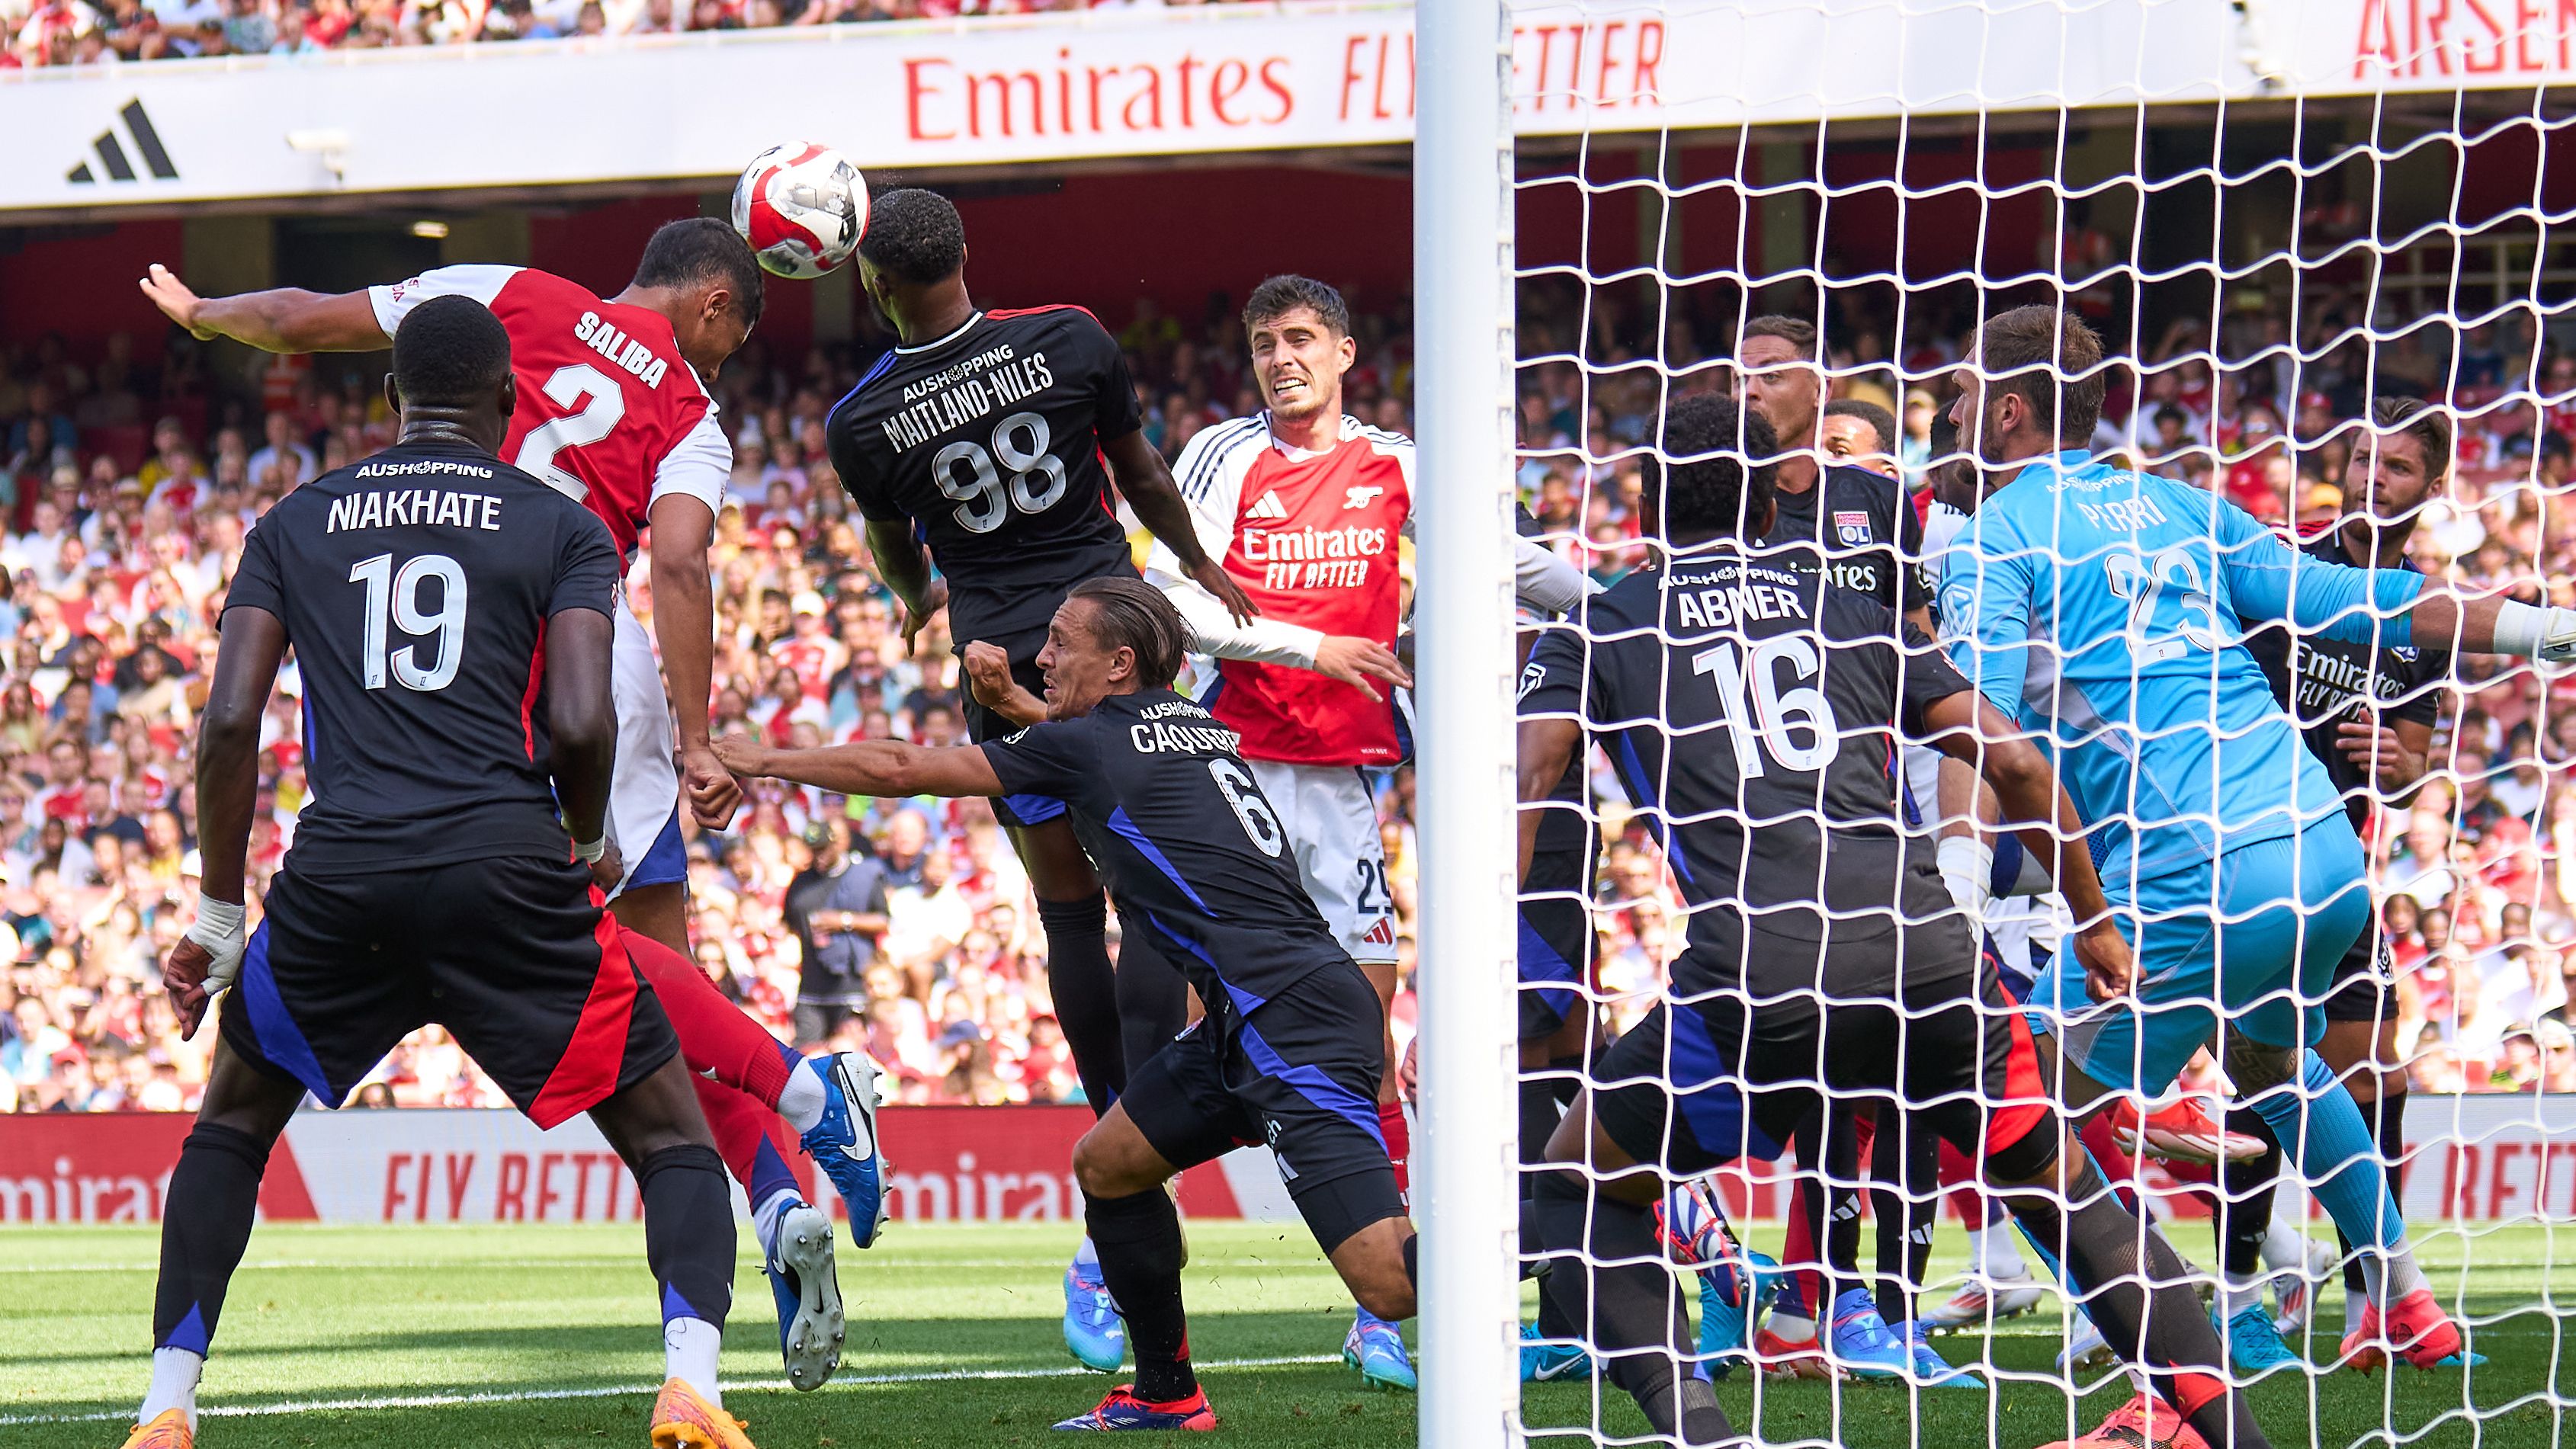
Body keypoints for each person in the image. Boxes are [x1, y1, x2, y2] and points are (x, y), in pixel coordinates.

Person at [136, 222, 876, 1393]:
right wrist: (693, 740)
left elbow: (310, 316)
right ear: (717, 306)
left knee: (256, 1108)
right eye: (737, 336)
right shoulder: (688, 411)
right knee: (629, 978)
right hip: (582, 646)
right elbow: (678, 566)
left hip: (436, 700)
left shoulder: (504, 292)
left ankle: (793, 1111)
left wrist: (210, 314)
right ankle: (784, 1156)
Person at [1516, 391, 2260, 1449]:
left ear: (1642, 500)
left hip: (1757, 969)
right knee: (2064, 1189)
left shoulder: (1599, 623)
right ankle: (2236, 1433)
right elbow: (2008, 757)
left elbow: (1530, 776)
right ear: (1774, 495)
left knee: (1579, 1180)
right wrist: (2090, 918)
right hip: (1923, 951)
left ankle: (1703, 1434)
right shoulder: (1845, 605)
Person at [1939, 304, 2576, 1432]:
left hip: (2196, 881)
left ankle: (2171, 1384)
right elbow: (2360, 604)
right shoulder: (2183, 507)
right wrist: (2535, 628)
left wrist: (1954, 863)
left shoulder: (1997, 534)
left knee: (2010, 1111)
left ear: (2006, 406)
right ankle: (2406, 1298)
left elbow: (1979, 728)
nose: (1944, 410)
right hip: (2322, 860)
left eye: (1959, 391)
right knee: (2274, 1060)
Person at [714, 577, 1414, 1431]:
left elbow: (901, 766)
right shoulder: (1191, 721)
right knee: (1109, 1167)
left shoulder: (1090, 744)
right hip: (1264, 1005)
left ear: (1118, 664)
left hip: (1287, 1018)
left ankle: (1571, 1224)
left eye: (1059, 641)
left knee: (1391, 1281)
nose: (1039, 657)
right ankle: (1167, 1391)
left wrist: (757, 758)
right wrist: (1011, 700)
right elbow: (1094, 750)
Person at [821, 188, 1259, 1370]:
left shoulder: (860, 421)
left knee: (1066, 904)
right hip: (1117, 632)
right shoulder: (1067, 335)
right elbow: (1143, 476)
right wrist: (1204, 570)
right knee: (1151, 883)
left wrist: (917, 603)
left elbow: (894, 550)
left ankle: (1115, 1124)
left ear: (871, 284)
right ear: (966, 256)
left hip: (1007, 655)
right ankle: (1171, 1104)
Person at [1144, 274, 1587, 1389]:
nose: (1279, 357)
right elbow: (1166, 597)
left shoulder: (1400, 463)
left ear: (1343, 350)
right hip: (1230, 769)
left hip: (1339, 783)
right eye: (1262, 342)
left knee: (1366, 1041)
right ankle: (1116, 1256)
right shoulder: (1219, 455)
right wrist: (1309, 648)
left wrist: (1619, 602)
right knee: (1226, 1039)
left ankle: (1379, 1304)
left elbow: (1504, 558)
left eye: (1299, 338)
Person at [2221, 397, 2457, 1370]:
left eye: (2395, 467)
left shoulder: (2423, 614)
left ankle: (2371, 1300)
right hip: (2248, 855)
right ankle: (2237, 1291)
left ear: (2429, 487)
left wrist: (2395, 766)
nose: (2372, 479)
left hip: (2338, 869)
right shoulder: (2278, 571)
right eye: (2362, 459)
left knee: (2372, 1076)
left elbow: (2411, 758)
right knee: (2261, 1068)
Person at [782, 817, 890, 1048]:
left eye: (823, 849)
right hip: (811, 985)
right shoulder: (801, 882)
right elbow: (789, 923)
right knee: (805, 1054)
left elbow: (883, 920)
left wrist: (844, 920)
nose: (818, 855)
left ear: (836, 844)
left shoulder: (862, 876)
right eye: (814, 850)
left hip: (851, 983)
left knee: (850, 1053)